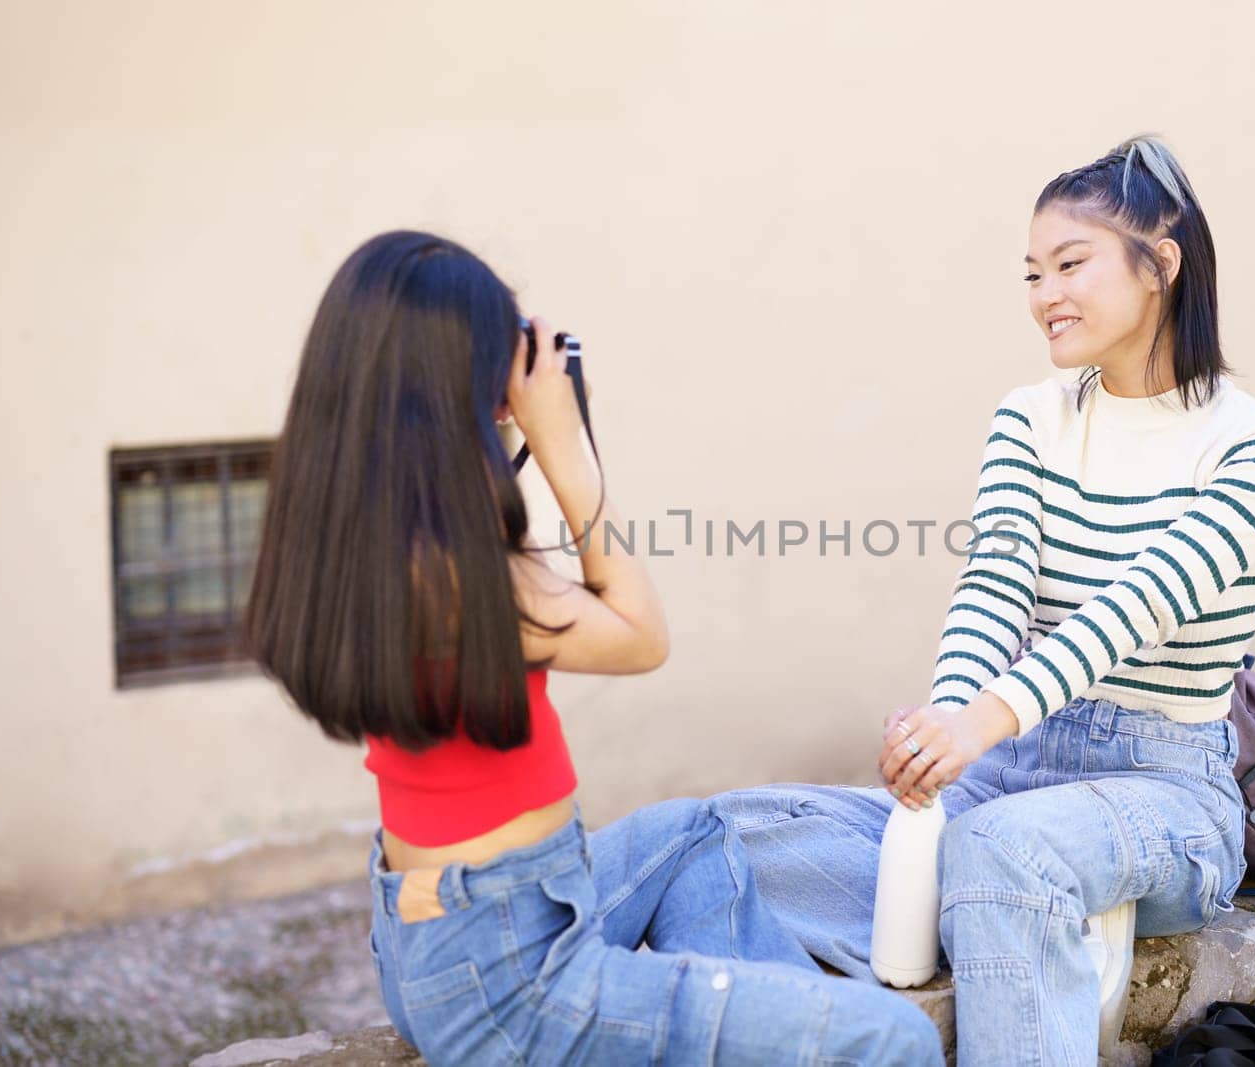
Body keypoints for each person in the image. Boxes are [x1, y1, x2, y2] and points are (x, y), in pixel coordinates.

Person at [243, 231, 944, 1066]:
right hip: (517, 981)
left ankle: (777, 1028)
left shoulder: (367, 540)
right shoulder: (464, 578)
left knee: (691, 833)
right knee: (893, 1038)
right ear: (449, 382)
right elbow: (641, 637)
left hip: (447, 932)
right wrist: (567, 450)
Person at [708, 134, 1255, 1065]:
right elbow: (995, 584)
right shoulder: (1029, 417)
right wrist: (945, 729)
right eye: (1032, 273)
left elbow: (1141, 602)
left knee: (998, 851)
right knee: (729, 832)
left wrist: (977, 724)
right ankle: (945, 959)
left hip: (1163, 791)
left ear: (1161, 264)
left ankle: (978, 911)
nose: (1045, 295)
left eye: (1070, 264)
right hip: (1008, 769)